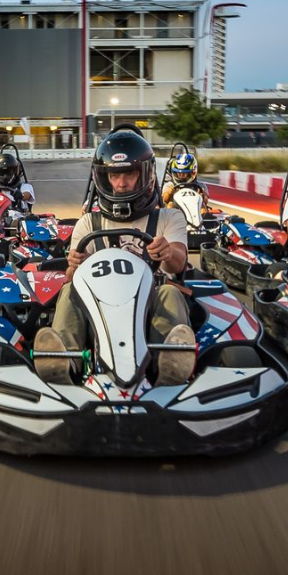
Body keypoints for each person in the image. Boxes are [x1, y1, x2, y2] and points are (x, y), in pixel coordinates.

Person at [31, 127, 198, 385]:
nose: (121, 184)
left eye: (129, 174)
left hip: (150, 302)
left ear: (145, 175)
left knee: (171, 291)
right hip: (101, 303)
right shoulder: (88, 223)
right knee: (68, 291)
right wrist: (75, 266)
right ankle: (65, 359)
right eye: (114, 175)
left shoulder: (168, 217)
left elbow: (179, 262)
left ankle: (169, 361)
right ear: (103, 178)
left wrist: (166, 252)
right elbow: (69, 278)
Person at [0, 151, 37, 223]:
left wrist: (21, 196)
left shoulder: (24, 187)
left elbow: (27, 195)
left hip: (19, 218)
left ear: (16, 171)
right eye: (2, 172)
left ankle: (15, 225)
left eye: (8, 172)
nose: (5, 176)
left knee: (18, 220)